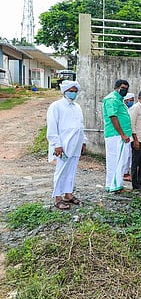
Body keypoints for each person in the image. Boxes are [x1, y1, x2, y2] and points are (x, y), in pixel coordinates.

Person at [46, 80, 87, 210]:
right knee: (61, 170)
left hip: (76, 144)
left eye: (75, 91)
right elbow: (52, 127)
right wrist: (56, 144)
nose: (73, 93)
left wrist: (83, 141)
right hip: (63, 145)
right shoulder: (56, 106)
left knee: (72, 170)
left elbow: (80, 126)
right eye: (71, 91)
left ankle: (68, 194)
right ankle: (58, 197)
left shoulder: (77, 107)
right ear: (64, 91)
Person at [102, 79, 132, 193]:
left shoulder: (119, 100)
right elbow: (113, 117)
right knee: (116, 161)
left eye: (126, 88)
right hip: (116, 136)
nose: (125, 90)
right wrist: (122, 134)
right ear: (116, 87)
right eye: (123, 87)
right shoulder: (112, 99)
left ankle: (114, 185)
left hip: (120, 135)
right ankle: (115, 186)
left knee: (120, 161)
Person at [122, 92, 135, 182]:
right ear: (126, 100)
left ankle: (128, 172)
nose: (131, 102)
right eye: (130, 100)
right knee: (125, 155)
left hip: (131, 135)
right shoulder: (124, 110)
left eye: (133, 100)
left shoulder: (132, 109)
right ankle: (124, 173)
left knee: (130, 155)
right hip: (125, 135)